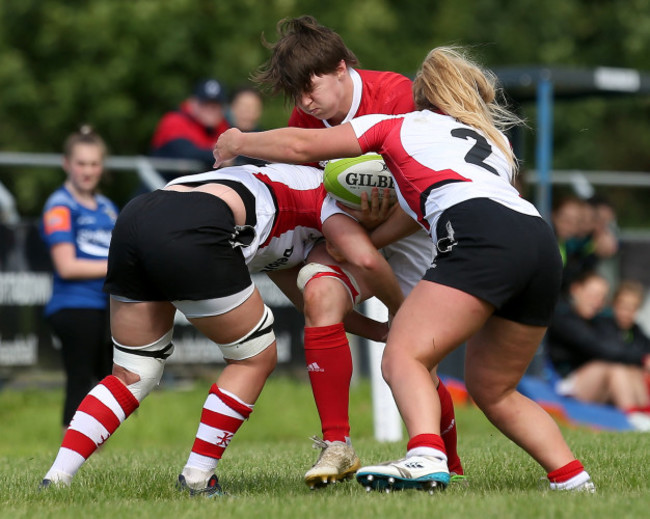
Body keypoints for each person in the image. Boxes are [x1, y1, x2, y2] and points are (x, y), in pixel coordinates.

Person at [213, 45, 595, 492]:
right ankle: (572, 479)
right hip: (539, 240)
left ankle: (426, 454)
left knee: (402, 356)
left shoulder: (397, 124)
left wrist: (239, 141)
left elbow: (302, 145)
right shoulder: (496, 140)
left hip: (479, 234)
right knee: (494, 389)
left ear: (421, 96)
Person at [40, 162, 404, 493]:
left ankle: (56, 477)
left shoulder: (292, 208)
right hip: (195, 222)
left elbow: (311, 304)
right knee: (255, 357)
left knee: (135, 370)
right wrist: (402, 313)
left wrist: (381, 331)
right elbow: (366, 259)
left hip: (139, 215)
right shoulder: (331, 202)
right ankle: (198, 477)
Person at [253, 14, 463, 488]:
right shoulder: (304, 121)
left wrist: (373, 232)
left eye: (311, 86)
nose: (306, 101)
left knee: (414, 357)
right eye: (296, 93)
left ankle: (447, 461)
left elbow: (432, 189)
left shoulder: (399, 96)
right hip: (352, 236)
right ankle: (337, 443)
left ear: (342, 69)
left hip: (415, 229)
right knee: (320, 297)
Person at [40, 126, 118, 434]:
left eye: (94, 164)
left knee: (108, 386)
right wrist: (117, 265)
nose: (87, 171)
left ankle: (94, 460)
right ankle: (65, 467)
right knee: (80, 381)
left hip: (107, 307)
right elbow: (67, 266)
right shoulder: (59, 205)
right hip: (73, 305)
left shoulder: (108, 208)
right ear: (66, 164)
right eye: (81, 163)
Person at [547, 275, 650, 430]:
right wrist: (642, 358)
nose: (597, 302)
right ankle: (633, 416)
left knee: (632, 370)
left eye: (601, 297)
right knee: (614, 368)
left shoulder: (596, 321)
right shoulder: (564, 316)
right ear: (576, 290)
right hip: (564, 384)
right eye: (593, 295)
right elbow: (600, 349)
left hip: (590, 382)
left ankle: (644, 413)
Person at [150, 78, 230, 178]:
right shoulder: (174, 121)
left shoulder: (222, 126)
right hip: (157, 188)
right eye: (205, 104)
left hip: (191, 190)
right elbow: (186, 153)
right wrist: (221, 154)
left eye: (216, 105)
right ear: (193, 103)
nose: (210, 110)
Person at [225, 85, 267, 167]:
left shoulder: (267, 140)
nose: (246, 112)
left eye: (252, 108)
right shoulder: (219, 134)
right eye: (242, 107)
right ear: (232, 108)